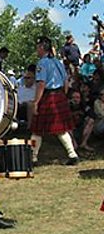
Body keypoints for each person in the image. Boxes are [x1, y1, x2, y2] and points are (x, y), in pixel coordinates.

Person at [29, 37, 79, 165]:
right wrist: (63, 95)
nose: (36, 50)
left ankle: (33, 157)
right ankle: (72, 155)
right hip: (60, 95)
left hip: (48, 96)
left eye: (37, 47)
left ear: (41, 48)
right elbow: (66, 82)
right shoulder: (58, 62)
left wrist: (35, 102)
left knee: (37, 129)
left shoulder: (41, 63)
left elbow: (41, 84)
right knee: (61, 129)